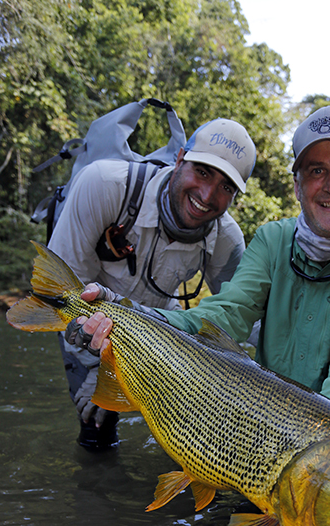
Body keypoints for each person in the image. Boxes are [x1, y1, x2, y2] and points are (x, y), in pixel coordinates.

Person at [67, 106, 330, 483]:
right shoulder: (272, 240)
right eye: (316, 171)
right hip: (260, 408)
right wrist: (123, 315)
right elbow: (223, 316)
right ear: (297, 185)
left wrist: (317, 446)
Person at [50, 117, 256, 450]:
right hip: (85, 325)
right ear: (179, 160)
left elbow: (245, 315)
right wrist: (99, 371)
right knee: (98, 432)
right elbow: (62, 292)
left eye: (226, 187)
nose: (207, 195)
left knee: (192, 442)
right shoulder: (103, 185)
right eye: (202, 172)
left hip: (162, 332)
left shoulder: (227, 241)